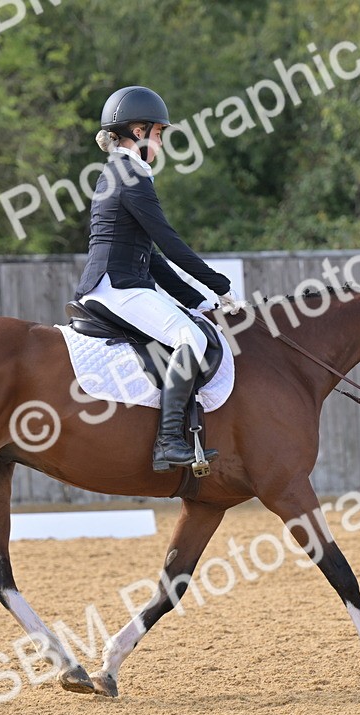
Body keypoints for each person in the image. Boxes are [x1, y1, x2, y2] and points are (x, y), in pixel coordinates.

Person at [74, 85, 244, 473]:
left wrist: (197, 300)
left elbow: (151, 257)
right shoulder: (130, 174)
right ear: (138, 131)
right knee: (191, 338)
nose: (162, 143)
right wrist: (220, 285)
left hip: (121, 282)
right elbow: (169, 242)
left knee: (191, 324)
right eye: (159, 133)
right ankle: (168, 442)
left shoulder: (119, 172)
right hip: (117, 286)